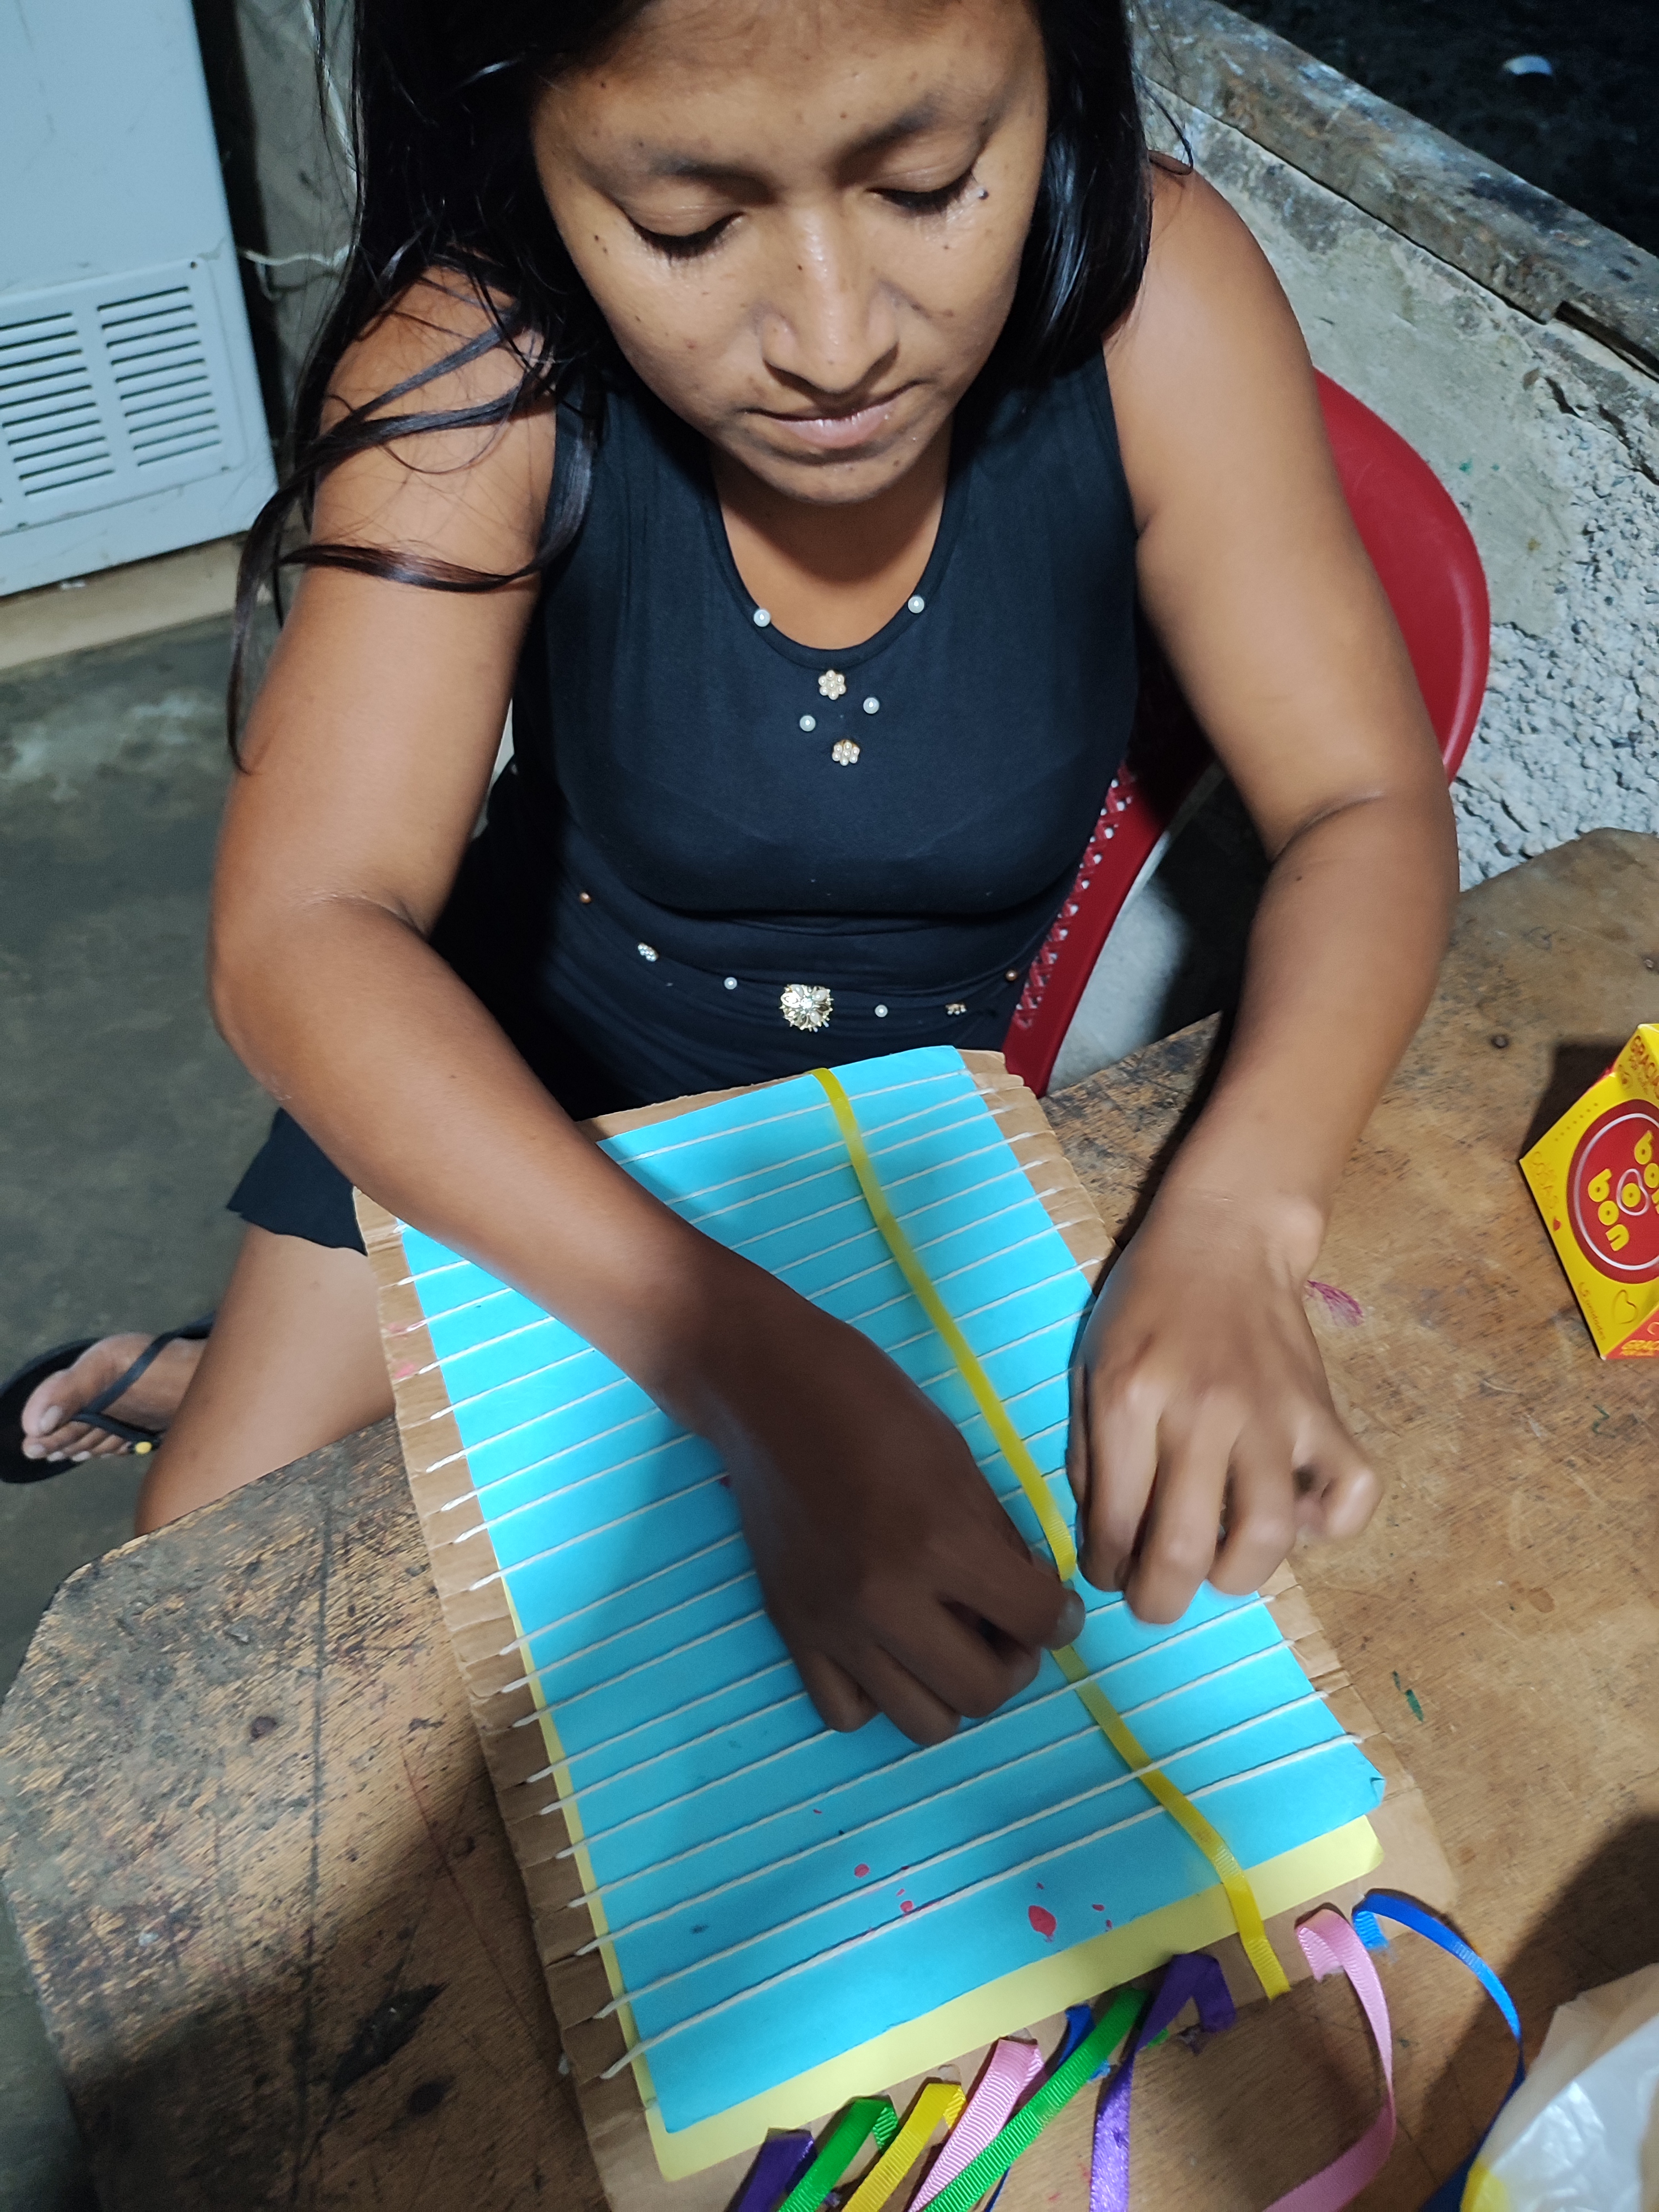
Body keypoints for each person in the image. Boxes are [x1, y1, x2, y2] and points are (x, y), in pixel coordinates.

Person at [13, 0, 1457, 1747]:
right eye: (688, 227)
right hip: (502, 1082)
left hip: (898, 1134)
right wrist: (742, 1365)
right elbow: (300, 930)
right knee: (209, 1604)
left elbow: (1361, 797)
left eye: (929, 184)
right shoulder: (474, 355)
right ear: (536, 158)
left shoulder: (1158, 302)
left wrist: (1238, 1218)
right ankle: (239, 1379)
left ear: (1057, 71)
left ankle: (318, 1382)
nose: (836, 342)